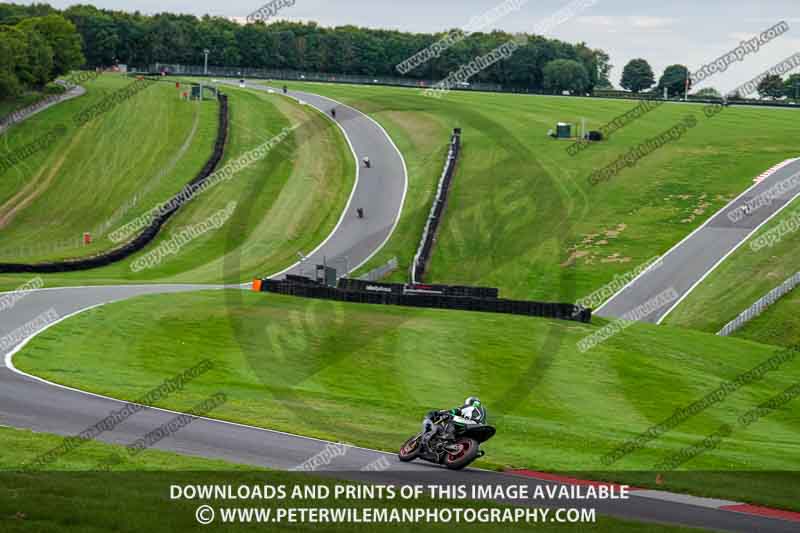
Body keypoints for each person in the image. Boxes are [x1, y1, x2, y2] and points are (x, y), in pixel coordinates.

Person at [420, 397, 486, 452]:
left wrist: (442, 412)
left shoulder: (469, 406)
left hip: (471, 423)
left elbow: (455, 411)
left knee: (451, 417)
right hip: (480, 427)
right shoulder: (482, 410)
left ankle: (448, 437)